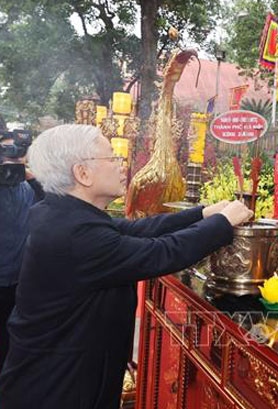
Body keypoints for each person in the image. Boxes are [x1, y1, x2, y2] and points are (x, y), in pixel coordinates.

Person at [0, 124, 253, 409]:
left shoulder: (64, 213)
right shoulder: (73, 234)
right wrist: (223, 223)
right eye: (112, 159)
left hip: (63, 378)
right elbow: (161, 253)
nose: (123, 166)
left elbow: (139, 229)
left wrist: (203, 213)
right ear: (82, 173)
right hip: (57, 389)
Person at [0, 129, 44, 369]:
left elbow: (54, 204)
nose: (10, 162)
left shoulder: (28, 189)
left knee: (15, 345)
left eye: (17, 157)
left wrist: (32, 178)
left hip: (21, 283)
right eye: (4, 154)